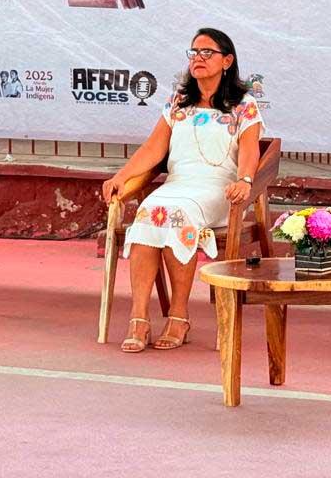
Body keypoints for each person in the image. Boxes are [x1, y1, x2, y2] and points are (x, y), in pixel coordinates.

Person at [101, 28, 263, 352]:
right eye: (194, 53)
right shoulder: (178, 102)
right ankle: (139, 317)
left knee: (178, 214)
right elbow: (153, 149)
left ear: (227, 61)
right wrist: (121, 176)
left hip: (217, 189)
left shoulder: (243, 106)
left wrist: (244, 181)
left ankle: (178, 315)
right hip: (178, 184)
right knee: (148, 213)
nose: (198, 59)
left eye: (207, 53)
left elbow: (250, 150)